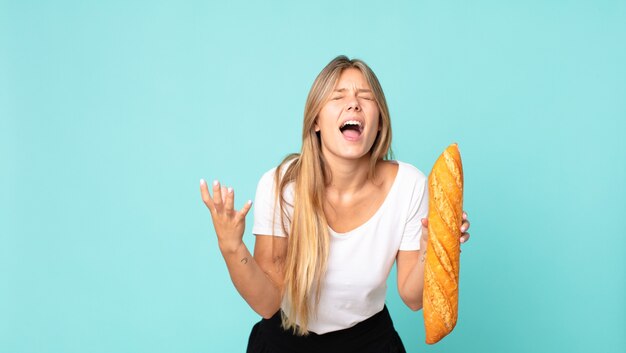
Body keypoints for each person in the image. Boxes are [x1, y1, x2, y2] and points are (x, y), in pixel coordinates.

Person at [199, 55, 471, 353]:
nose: (353, 103)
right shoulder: (280, 185)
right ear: (315, 120)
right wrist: (231, 248)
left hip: (369, 342)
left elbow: (413, 298)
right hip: (285, 342)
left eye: (365, 97)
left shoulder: (409, 184)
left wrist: (429, 249)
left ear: (379, 121)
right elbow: (267, 304)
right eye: (338, 96)